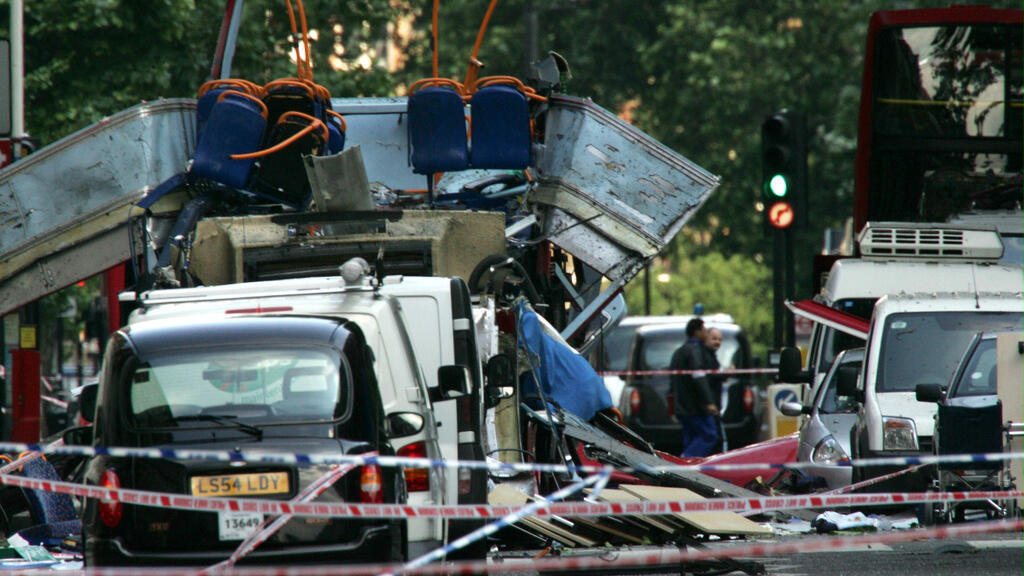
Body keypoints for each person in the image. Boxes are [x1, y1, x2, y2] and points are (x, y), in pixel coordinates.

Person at [669, 318, 719, 457]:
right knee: (709, 435)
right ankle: (686, 462)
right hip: (696, 406)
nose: (705, 333)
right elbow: (699, 377)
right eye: (704, 330)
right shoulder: (696, 350)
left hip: (683, 406)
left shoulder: (679, 351)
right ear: (697, 331)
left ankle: (689, 472)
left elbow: (673, 380)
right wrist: (708, 401)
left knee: (690, 438)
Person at [704, 327, 727, 453]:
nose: (717, 342)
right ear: (706, 338)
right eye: (714, 338)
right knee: (714, 438)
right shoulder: (706, 357)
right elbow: (711, 377)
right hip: (709, 407)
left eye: (719, 339)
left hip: (712, 405)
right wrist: (727, 374)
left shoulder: (711, 356)